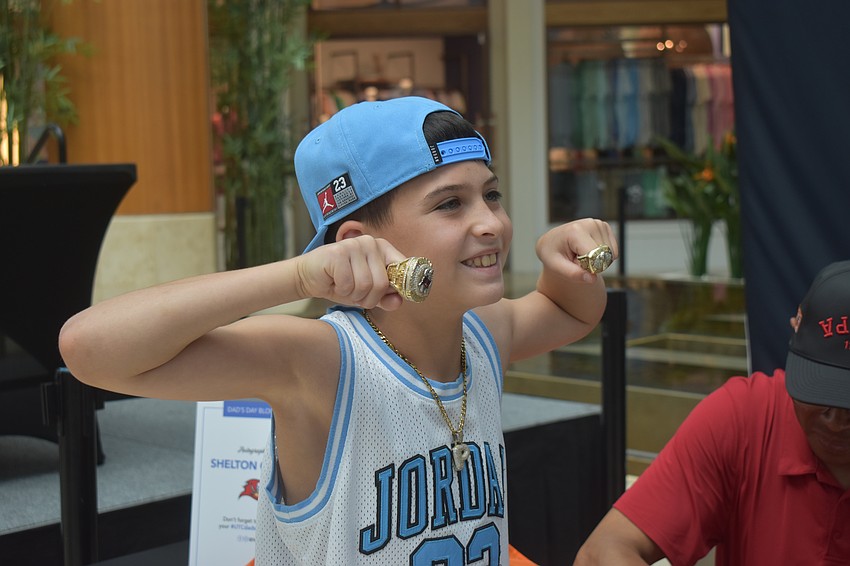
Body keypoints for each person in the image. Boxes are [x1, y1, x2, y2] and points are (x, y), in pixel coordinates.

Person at [59, 96, 618, 565]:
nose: (491, 223)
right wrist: (297, 275)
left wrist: (566, 263)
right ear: (355, 241)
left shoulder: (482, 333)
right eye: (450, 204)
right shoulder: (322, 361)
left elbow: (570, 313)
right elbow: (90, 349)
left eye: (490, 194)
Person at [574, 260, 850, 566]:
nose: (837, 421)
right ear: (794, 335)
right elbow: (601, 554)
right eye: (820, 394)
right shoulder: (747, 418)